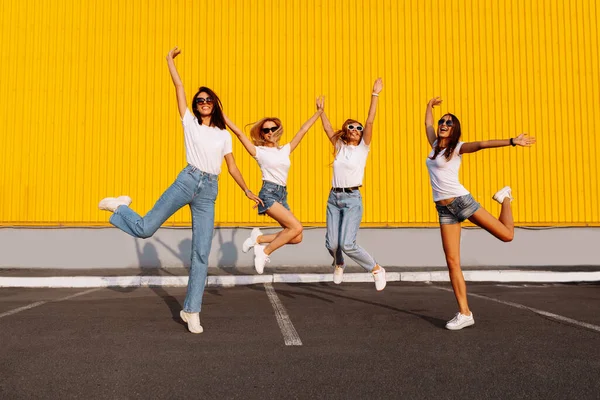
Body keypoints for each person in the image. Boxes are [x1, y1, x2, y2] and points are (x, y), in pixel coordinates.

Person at [98, 47, 262, 334]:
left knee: (201, 252)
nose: (203, 103)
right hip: (187, 180)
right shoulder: (189, 123)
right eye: (200, 101)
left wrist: (247, 190)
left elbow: (232, 167)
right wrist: (169, 62)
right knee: (146, 228)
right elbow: (179, 86)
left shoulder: (223, 136)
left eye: (208, 100)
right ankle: (120, 208)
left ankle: (192, 310)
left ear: (215, 104)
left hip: (210, 189)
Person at [424, 96, 536, 330]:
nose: (443, 124)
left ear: (455, 130)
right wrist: (428, 107)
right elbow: (427, 125)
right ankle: (465, 313)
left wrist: (513, 141)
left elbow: (482, 144)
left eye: (449, 123)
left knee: (507, 235)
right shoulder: (434, 146)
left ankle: (505, 198)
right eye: (442, 121)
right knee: (452, 261)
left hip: (462, 202)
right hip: (444, 210)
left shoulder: (457, 148)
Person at [224, 98, 324, 273]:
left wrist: (319, 113)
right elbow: (239, 133)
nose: (270, 132)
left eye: (273, 129)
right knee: (296, 227)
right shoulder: (259, 152)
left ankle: (259, 239)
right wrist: (221, 115)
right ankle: (264, 251)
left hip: (282, 194)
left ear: (278, 131)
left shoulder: (285, 149)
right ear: (262, 134)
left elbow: (303, 130)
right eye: (266, 130)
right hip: (268, 194)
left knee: (296, 237)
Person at [319, 78, 386, 291]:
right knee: (332, 244)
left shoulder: (362, 148)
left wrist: (374, 94)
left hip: (352, 199)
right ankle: (339, 263)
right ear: (346, 130)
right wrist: (321, 112)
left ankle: (375, 268)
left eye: (358, 127)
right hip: (333, 198)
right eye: (352, 126)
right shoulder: (339, 146)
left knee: (347, 244)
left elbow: (370, 121)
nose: (356, 129)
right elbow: (328, 129)